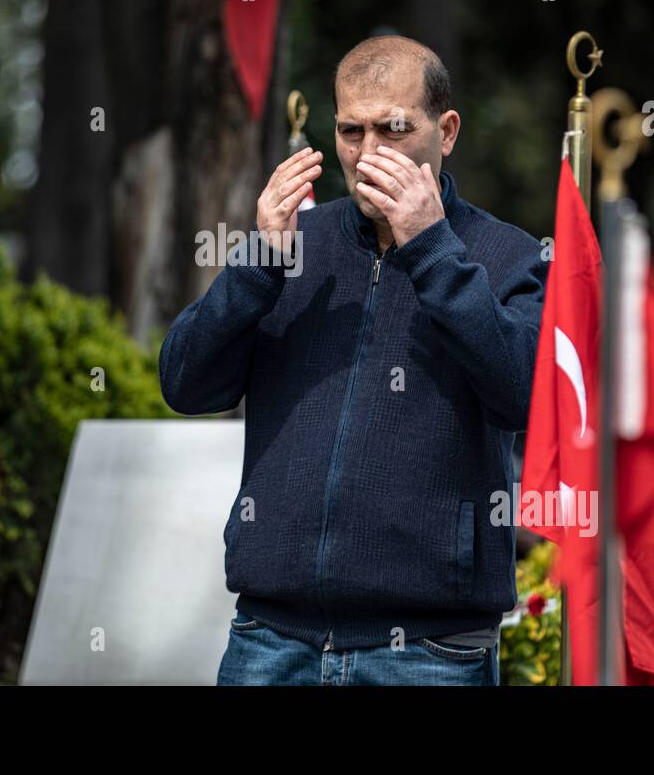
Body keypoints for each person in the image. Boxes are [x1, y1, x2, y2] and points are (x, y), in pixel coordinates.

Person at [159, 35, 547, 685]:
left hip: (428, 654)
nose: (367, 154)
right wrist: (258, 266)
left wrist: (430, 251)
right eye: (349, 130)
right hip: (270, 639)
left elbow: (523, 396)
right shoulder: (292, 245)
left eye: (393, 130)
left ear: (445, 131)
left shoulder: (506, 256)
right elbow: (185, 384)